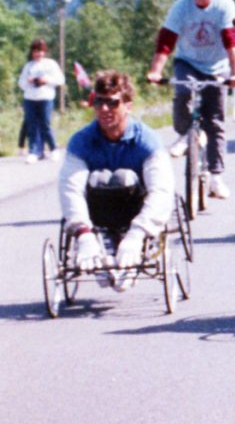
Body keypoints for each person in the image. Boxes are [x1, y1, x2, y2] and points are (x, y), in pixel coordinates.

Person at [59, 70, 174, 277]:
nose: (104, 109)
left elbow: (161, 190)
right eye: (99, 102)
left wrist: (138, 233)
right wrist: (83, 232)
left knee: (125, 177)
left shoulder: (147, 141)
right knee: (98, 178)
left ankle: (129, 240)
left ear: (128, 106)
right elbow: (70, 189)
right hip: (98, 212)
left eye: (113, 103)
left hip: (135, 210)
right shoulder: (80, 141)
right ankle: (101, 242)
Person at [146, 0, 235, 199]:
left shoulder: (224, 6)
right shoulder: (181, 7)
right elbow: (166, 42)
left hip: (217, 67)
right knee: (183, 92)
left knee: (215, 121)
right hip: (188, 62)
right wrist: (156, 71)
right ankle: (185, 133)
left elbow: (232, 44)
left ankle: (216, 177)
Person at [17, 38, 63, 164]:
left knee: (45, 124)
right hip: (30, 98)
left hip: (46, 98)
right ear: (32, 52)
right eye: (36, 51)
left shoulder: (51, 64)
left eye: (41, 51)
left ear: (44, 51)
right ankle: (34, 152)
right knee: (32, 126)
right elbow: (21, 83)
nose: (38, 54)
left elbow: (60, 80)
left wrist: (46, 80)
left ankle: (54, 149)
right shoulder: (29, 65)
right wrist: (29, 80)